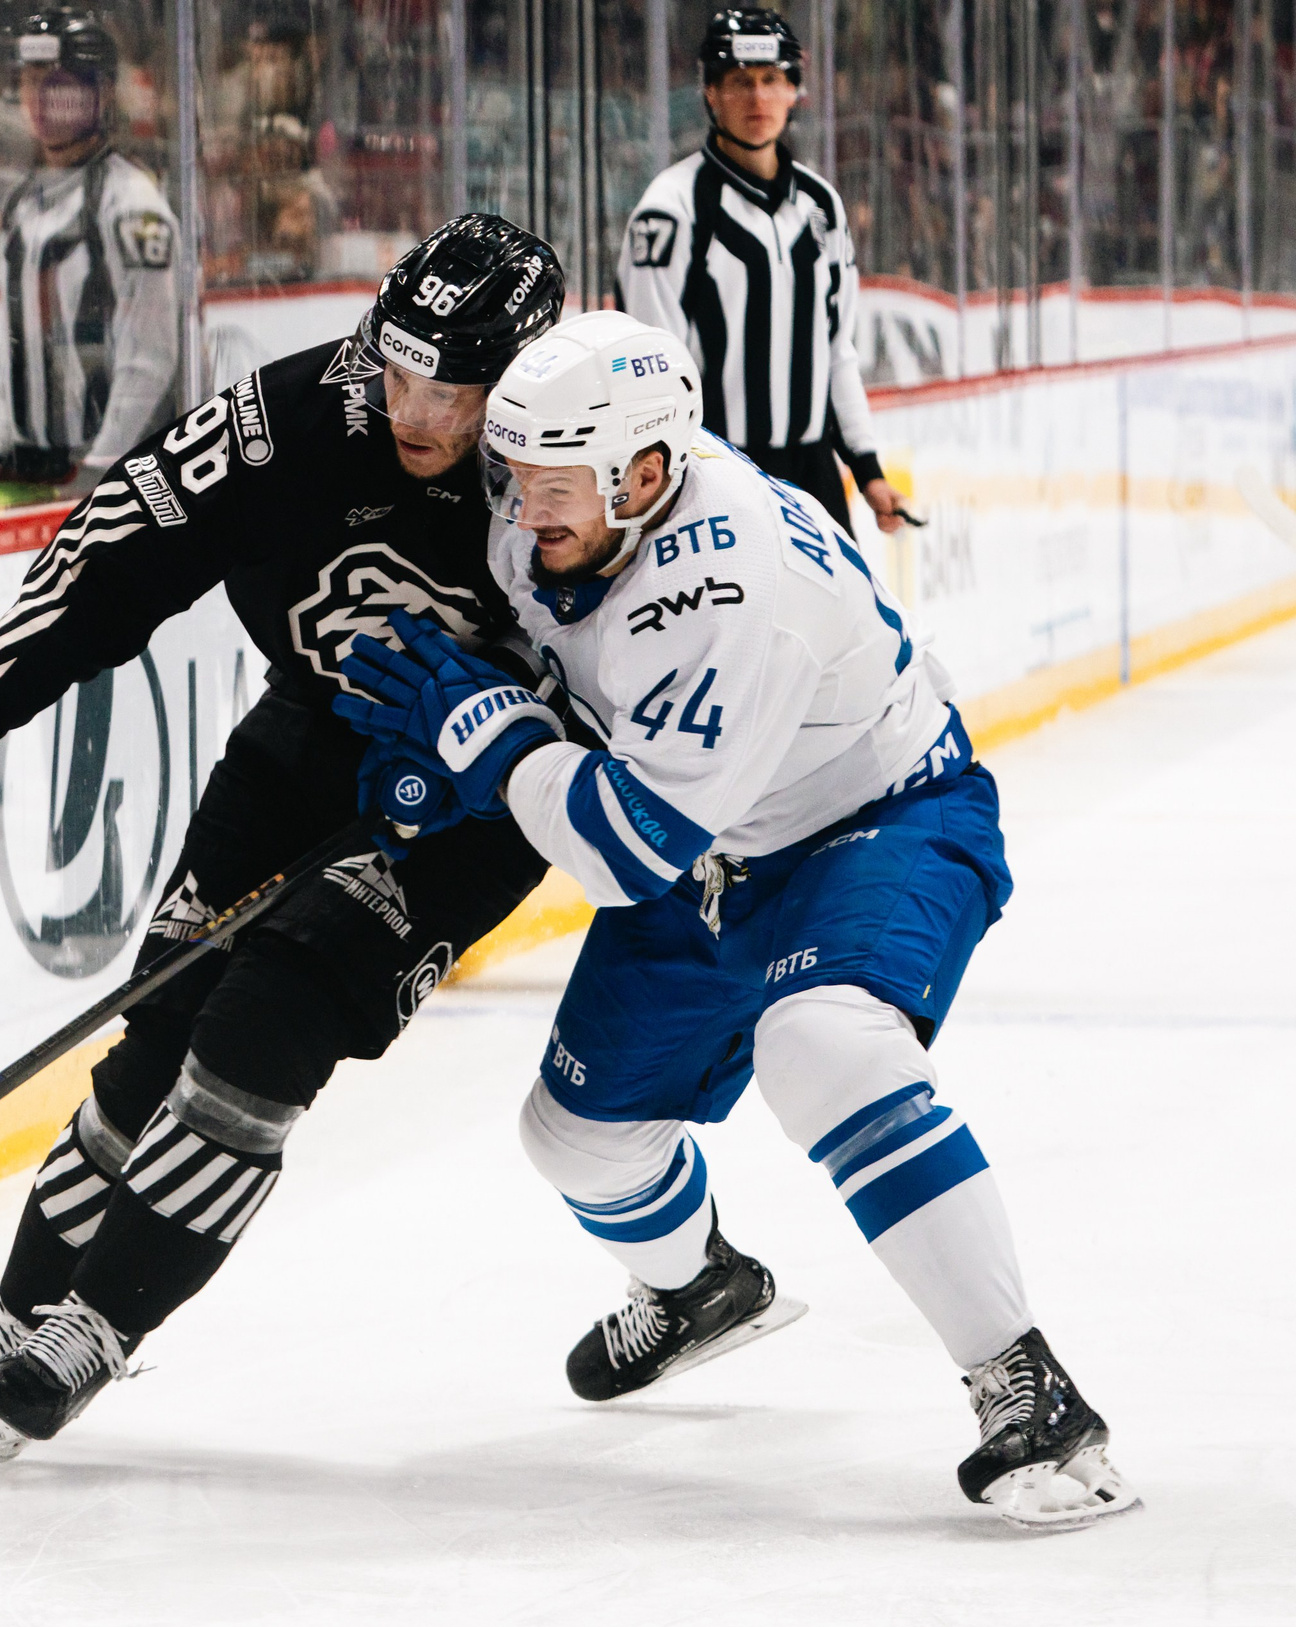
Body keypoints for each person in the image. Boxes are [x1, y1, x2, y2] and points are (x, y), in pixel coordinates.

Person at [338, 310, 1139, 1530]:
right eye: (514, 474)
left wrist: (486, 742)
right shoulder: (557, 514)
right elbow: (555, 670)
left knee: (818, 1044)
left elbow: (622, 849)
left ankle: (1026, 1387)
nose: (520, 507)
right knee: (574, 1139)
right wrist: (460, 742)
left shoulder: (725, 588)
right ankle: (702, 1289)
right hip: (726, 841)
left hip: (883, 821)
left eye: (553, 483)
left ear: (645, 473)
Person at [0, 215, 570, 1460]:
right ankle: (23, 1315)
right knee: (159, 1025)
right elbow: (115, 551)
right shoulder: (300, 415)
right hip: (311, 730)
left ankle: (98, 1326)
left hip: (481, 797)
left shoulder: (569, 451)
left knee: (265, 1022)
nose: (414, 409)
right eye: (397, 368)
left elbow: (645, 667)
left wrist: (526, 753)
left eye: (452, 390)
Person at [618, 7, 903, 540]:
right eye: (739, 82)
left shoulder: (822, 207)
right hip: (714, 479)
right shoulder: (672, 210)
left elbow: (836, 353)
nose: (757, 98)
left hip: (814, 478)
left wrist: (868, 472)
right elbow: (654, 373)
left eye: (772, 80)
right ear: (710, 92)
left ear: (795, 89)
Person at [0, 9, 180, 496]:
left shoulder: (132, 204)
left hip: (104, 469)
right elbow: (17, 341)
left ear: (102, 93)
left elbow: (150, 356)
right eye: (30, 83)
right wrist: (6, 444)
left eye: (58, 84)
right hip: (31, 465)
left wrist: (103, 466)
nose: (39, 100)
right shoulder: (20, 202)